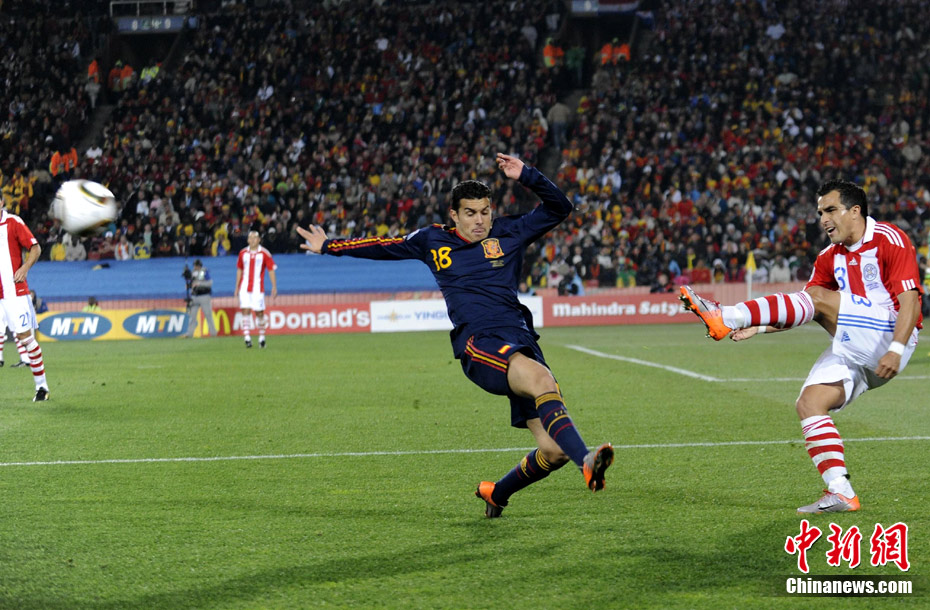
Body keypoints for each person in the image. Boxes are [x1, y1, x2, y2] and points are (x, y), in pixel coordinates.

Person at [297, 153, 614, 518]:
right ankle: (586, 460)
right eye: (470, 213)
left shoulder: (510, 231)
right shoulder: (432, 240)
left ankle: (496, 493)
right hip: (479, 344)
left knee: (553, 450)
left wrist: (527, 175)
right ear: (454, 214)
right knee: (542, 381)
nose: (479, 220)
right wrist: (329, 246)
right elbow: (383, 246)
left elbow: (561, 207)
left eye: (485, 212)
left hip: (521, 341)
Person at [679, 179, 922, 514]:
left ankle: (726, 316)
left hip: (891, 336)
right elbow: (804, 308)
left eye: (830, 210)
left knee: (819, 297)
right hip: (856, 348)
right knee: (809, 404)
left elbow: (911, 300)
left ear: (855, 211)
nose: (823, 219)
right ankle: (841, 492)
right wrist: (758, 327)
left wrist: (895, 348)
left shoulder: (889, 238)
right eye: (820, 212)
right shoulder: (828, 258)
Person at [0, 204, 49, 400]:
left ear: (1, 203)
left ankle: (42, 387)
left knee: (25, 338)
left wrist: (25, 268)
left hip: (14, 292)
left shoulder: (13, 222)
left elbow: (35, 248)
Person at [235, 230, 277, 348]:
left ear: (259, 240)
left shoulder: (264, 253)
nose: (253, 240)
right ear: (248, 240)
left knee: (259, 312)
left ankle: (262, 337)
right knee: (245, 310)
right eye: (251, 237)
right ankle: (247, 337)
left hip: (258, 288)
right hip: (244, 287)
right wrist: (236, 286)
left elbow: (271, 270)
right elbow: (239, 269)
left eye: (255, 237)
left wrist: (274, 286)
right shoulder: (243, 253)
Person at [184, 259, 216, 338]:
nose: (195, 267)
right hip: (194, 296)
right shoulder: (192, 273)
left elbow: (210, 283)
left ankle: (213, 333)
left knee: (208, 315)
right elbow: (191, 283)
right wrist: (188, 284)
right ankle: (189, 333)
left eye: (196, 265)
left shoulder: (204, 271)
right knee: (192, 316)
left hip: (204, 296)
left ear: (199, 265)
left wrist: (199, 284)